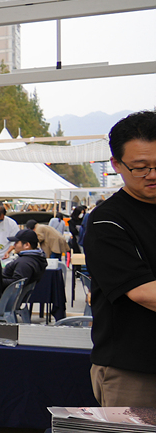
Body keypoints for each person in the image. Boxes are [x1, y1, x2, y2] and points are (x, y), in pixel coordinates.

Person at [84, 110, 156, 406]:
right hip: (134, 372)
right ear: (116, 164)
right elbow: (143, 292)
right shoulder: (107, 222)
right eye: (140, 167)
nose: (153, 175)